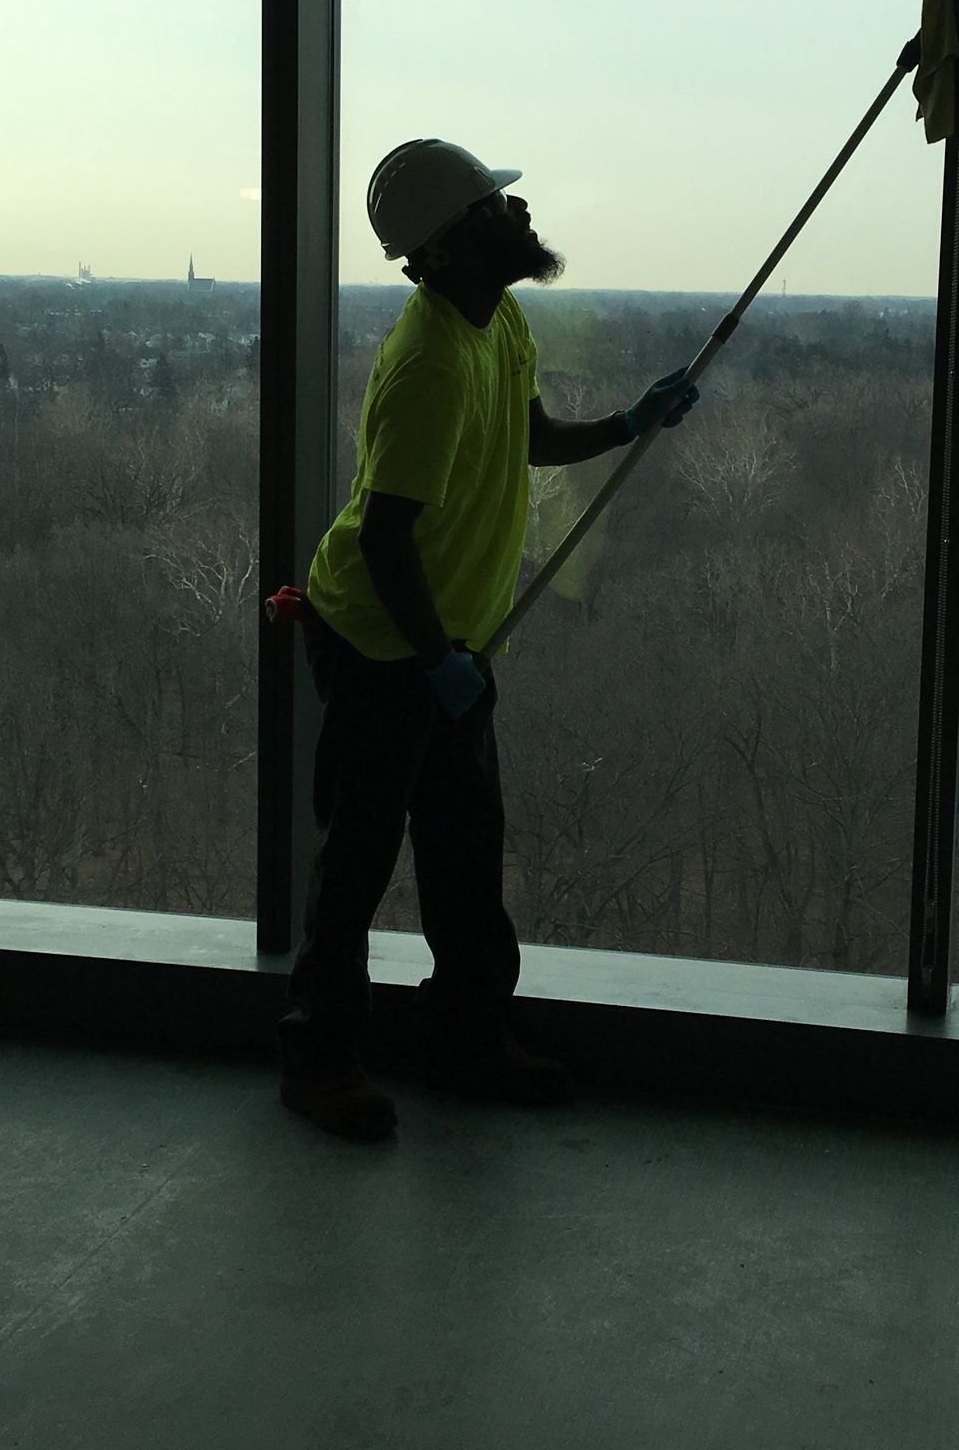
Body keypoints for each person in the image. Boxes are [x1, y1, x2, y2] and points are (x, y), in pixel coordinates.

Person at [274, 137, 699, 1144]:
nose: (521, 213)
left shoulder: (496, 319)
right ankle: (318, 1058)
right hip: (385, 641)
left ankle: (467, 1042)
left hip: (445, 642)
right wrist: (435, 664)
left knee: (465, 851)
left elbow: (529, 436)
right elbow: (381, 539)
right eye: (498, 205)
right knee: (360, 859)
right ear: (458, 240)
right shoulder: (427, 362)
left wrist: (625, 425)